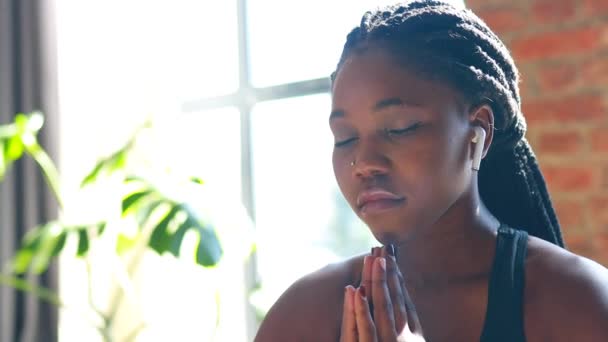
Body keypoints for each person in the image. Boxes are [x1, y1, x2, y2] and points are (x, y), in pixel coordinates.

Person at [254, 1, 608, 341]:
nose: (364, 163)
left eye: (400, 128)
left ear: (477, 134)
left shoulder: (578, 303)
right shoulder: (305, 314)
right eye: (345, 138)